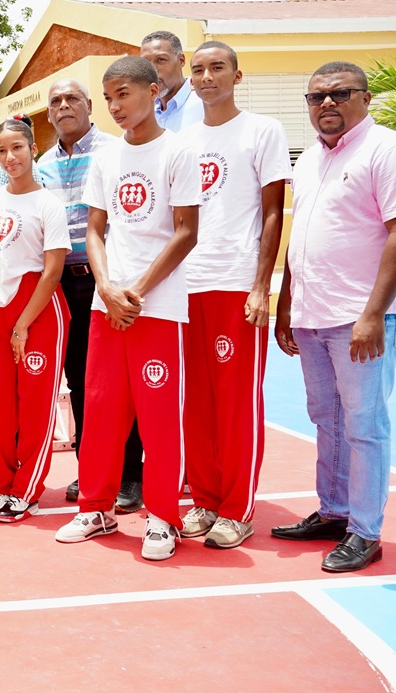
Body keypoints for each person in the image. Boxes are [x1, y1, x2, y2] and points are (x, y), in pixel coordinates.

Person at [54, 56, 200, 561]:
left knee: (159, 419)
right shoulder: (106, 158)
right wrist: (108, 288)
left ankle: (162, 517)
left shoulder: (178, 151)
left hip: (157, 308)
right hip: (107, 306)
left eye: (124, 94)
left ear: (153, 91)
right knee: (100, 412)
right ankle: (96, 508)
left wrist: (134, 290)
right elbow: (95, 231)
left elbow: (186, 232)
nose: (115, 106)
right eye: (109, 97)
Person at [273, 61, 396, 573]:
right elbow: (300, 237)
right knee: (327, 418)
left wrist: (374, 313)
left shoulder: (384, 149)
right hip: (311, 315)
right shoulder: (307, 161)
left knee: (364, 426)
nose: (326, 103)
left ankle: (365, 531)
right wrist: (286, 304)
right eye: (316, 96)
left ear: (364, 98)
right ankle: (334, 511)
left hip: (358, 318)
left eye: (339, 93)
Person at [179, 41, 289, 550]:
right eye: (199, 69)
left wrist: (261, 286)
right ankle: (204, 499)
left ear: (237, 76)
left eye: (217, 68)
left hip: (236, 282)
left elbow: (273, 212)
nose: (207, 77)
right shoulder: (182, 139)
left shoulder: (263, 130)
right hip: (187, 286)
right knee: (196, 404)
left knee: (236, 403)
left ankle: (237, 508)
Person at [37, 80, 143, 512]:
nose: (64, 106)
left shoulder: (116, 151)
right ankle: (92, 469)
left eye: (72, 99)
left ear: (89, 106)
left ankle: (131, 475)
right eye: (56, 102)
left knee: (121, 384)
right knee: (81, 382)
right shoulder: (43, 164)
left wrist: (112, 283)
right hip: (61, 285)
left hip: (108, 284)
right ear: (49, 113)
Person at [0, 118, 70, 523]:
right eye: (1, 150)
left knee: (35, 407)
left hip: (39, 312)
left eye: (17, 148)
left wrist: (22, 325)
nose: (9, 157)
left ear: (33, 150)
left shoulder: (48, 203)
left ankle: (27, 490)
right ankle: (1, 485)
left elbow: (53, 271)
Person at [141, 30, 204, 131]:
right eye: (146, 62)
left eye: (161, 60)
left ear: (181, 60)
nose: (152, 70)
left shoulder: (205, 104)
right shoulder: (143, 110)